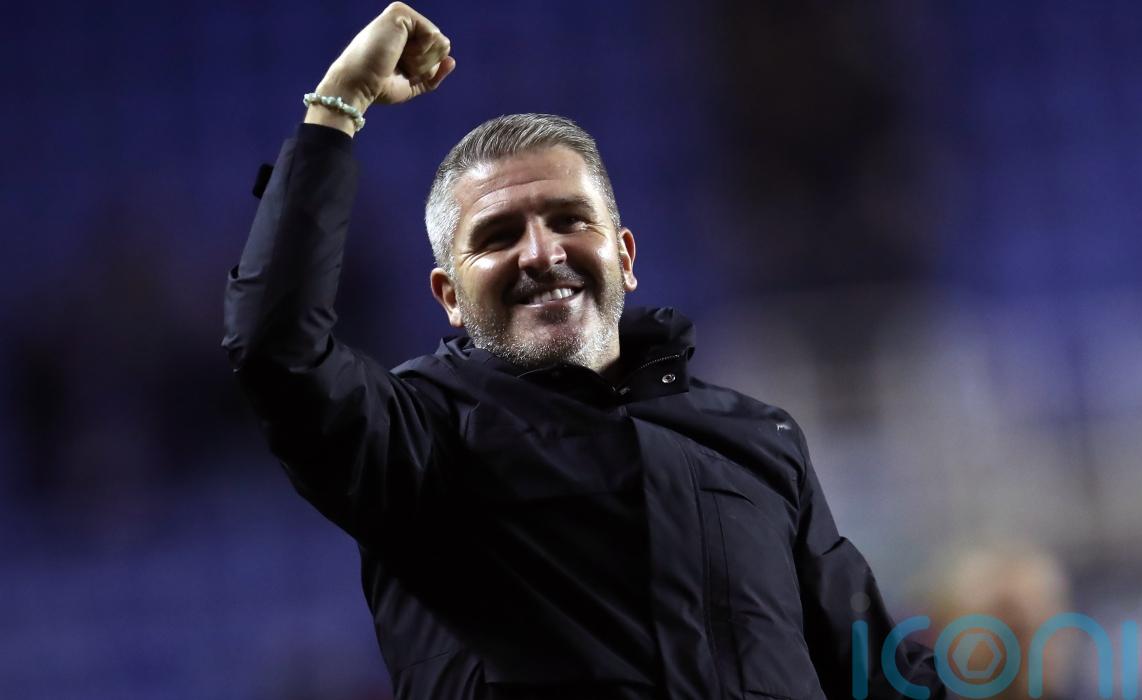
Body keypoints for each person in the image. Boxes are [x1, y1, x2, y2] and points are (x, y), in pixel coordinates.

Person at [222, 4, 950, 698]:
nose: (542, 254)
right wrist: (337, 106)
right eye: (498, 236)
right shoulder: (415, 436)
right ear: (449, 295)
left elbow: (873, 672)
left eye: (570, 220)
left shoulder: (758, 439)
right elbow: (276, 349)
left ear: (624, 257)